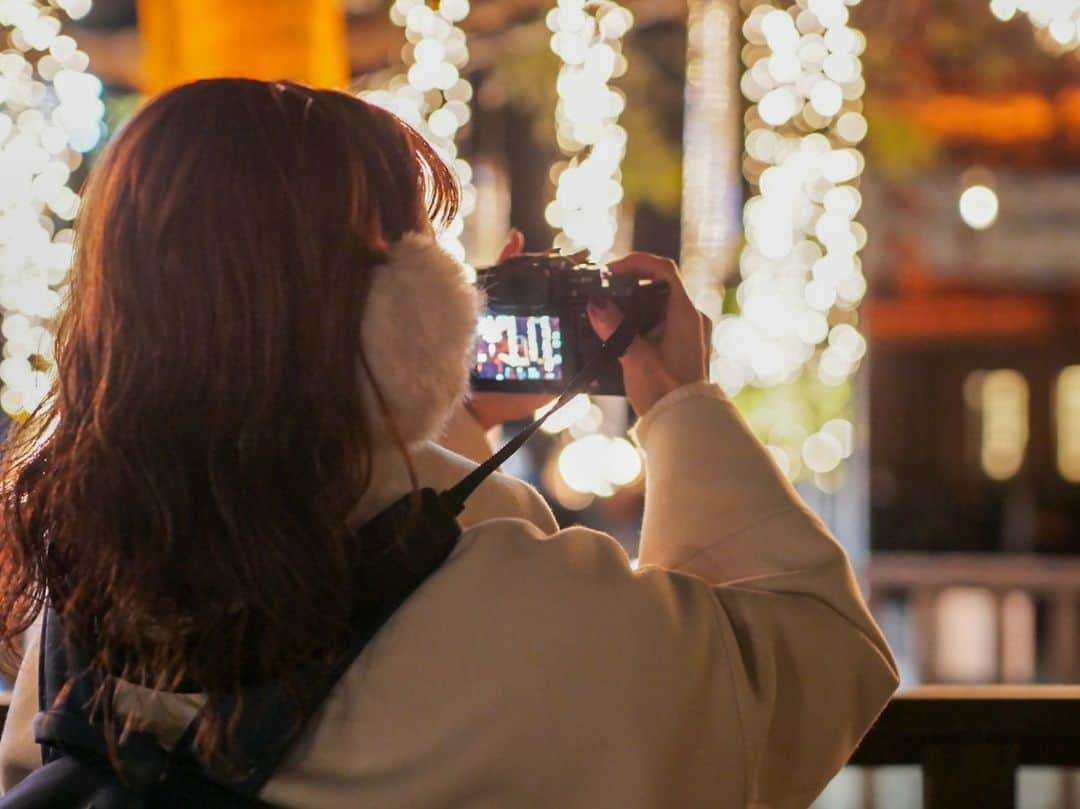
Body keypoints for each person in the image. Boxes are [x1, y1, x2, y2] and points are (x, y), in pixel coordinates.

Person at [0, 79, 897, 808]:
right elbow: (805, 658)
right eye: (421, 248)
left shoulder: (84, 603)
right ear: (406, 306)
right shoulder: (516, 610)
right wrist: (681, 405)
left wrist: (441, 423)